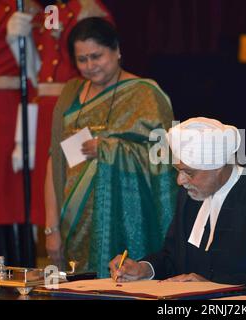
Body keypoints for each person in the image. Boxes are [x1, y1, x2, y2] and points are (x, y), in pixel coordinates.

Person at [109, 117, 246, 298]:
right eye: (178, 171)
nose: (180, 181)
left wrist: (216, 287)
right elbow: (173, 257)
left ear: (219, 166)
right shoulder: (191, 192)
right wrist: (144, 268)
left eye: (189, 172)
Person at [45, 17, 178, 277]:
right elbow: (55, 162)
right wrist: (52, 229)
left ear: (117, 50)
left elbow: (165, 159)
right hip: (74, 223)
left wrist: (109, 149)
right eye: (82, 59)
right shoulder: (70, 96)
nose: (90, 66)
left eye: (97, 56)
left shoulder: (144, 93)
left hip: (127, 224)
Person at [8, 0, 113, 228]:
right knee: (49, 181)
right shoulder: (52, 10)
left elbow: (99, 67)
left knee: (75, 180)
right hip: (49, 106)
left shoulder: (89, 10)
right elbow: (39, 70)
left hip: (77, 104)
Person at [0, 0, 41, 267]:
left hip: (8, 110)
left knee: (12, 195)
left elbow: (38, 72)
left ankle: (20, 266)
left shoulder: (28, 8)